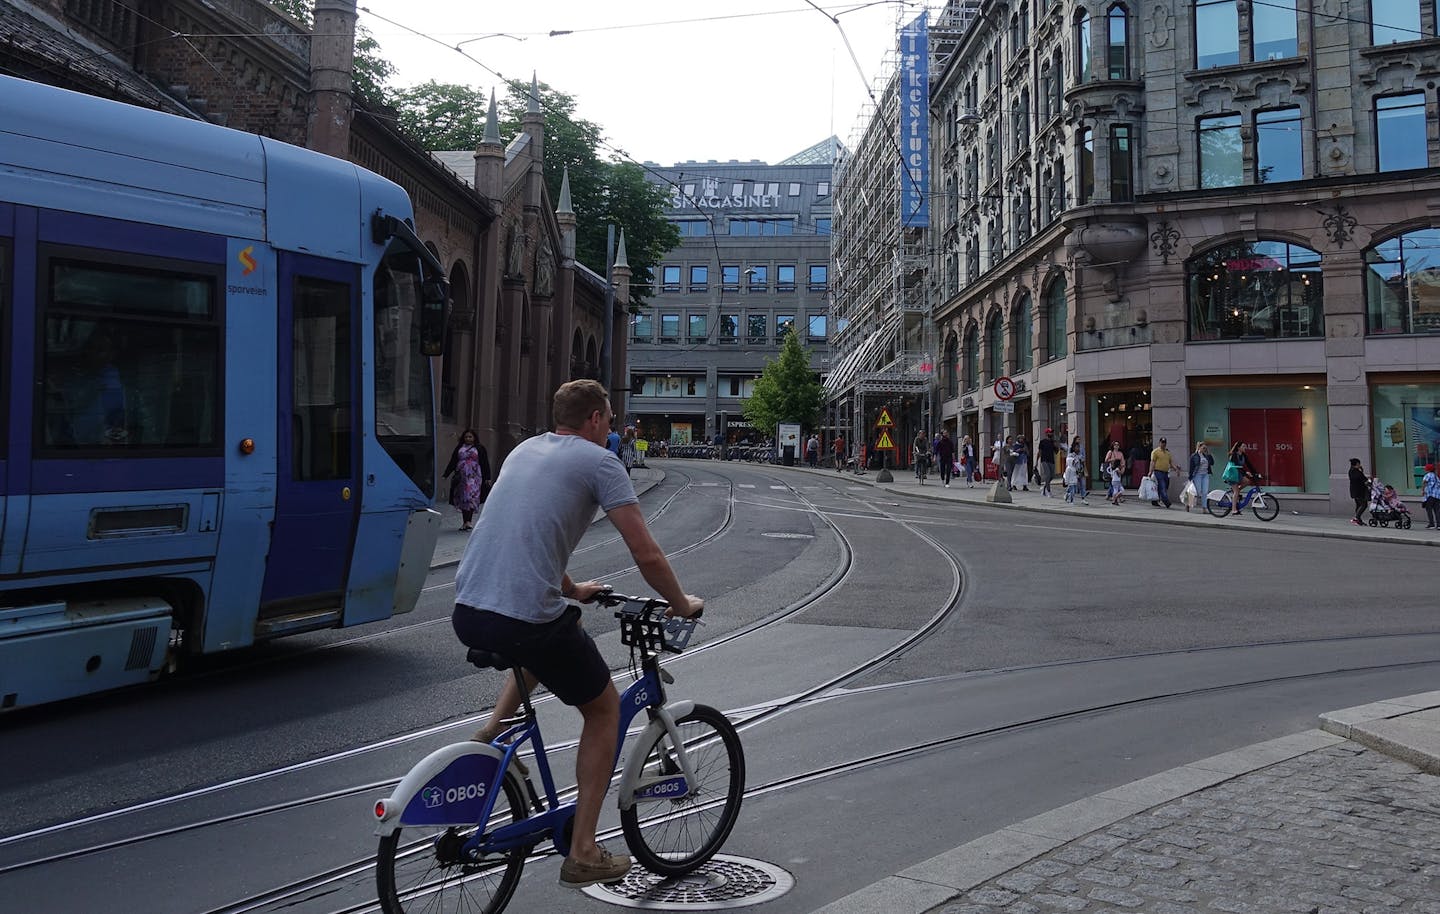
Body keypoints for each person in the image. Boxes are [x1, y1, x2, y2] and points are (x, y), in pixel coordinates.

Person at [453, 379, 703, 889]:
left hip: (468, 608)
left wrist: (571, 588)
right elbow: (646, 552)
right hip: (521, 618)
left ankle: (493, 728)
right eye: (609, 420)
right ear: (593, 419)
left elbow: (529, 533)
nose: (611, 429)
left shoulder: (525, 449)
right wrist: (682, 603)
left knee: (550, 626)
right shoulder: (600, 462)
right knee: (604, 708)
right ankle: (584, 850)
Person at [441, 429, 491, 531]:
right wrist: (446, 474)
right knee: (464, 498)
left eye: (470, 437)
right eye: (466, 437)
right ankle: (465, 522)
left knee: (471, 497)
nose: (468, 439)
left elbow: (485, 463)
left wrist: (488, 477)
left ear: (474, 438)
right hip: (462, 477)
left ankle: (469, 521)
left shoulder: (480, 448)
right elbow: (453, 461)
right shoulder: (460, 448)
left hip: (475, 477)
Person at [1222, 442, 1261, 519]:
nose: (1245, 447)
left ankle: (1236, 492)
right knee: (1236, 491)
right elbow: (1237, 466)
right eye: (1243, 446)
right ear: (1238, 448)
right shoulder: (1234, 455)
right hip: (1232, 475)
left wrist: (1256, 473)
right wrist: (1246, 473)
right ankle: (1233, 510)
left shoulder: (1243, 455)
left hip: (1238, 474)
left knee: (1247, 482)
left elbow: (1249, 465)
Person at [1187, 442, 1214, 514]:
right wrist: (1190, 477)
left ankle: (1204, 508)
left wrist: (1209, 454)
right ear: (1199, 447)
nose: (1204, 449)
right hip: (1197, 475)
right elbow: (1191, 467)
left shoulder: (1206, 456)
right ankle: (1189, 503)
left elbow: (1212, 463)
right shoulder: (1194, 456)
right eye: (1203, 448)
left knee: (1205, 492)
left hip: (1205, 475)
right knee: (1197, 491)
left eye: (1205, 448)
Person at [1149, 437, 1175, 508]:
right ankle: (1167, 502)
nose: (1163, 444)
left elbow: (1171, 462)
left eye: (1164, 443)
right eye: (1162, 442)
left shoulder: (1168, 453)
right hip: (1158, 472)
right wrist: (1150, 471)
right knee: (1162, 486)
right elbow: (1152, 462)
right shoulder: (1155, 452)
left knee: (1164, 487)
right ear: (1159, 443)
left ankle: (1155, 500)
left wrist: (1176, 468)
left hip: (1166, 473)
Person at [1036, 429, 1058, 497]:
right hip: (1044, 460)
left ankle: (1044, 487)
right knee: (1047, 475)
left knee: (1052, 476)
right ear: (1046, 433)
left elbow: (1056, 452)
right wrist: (1036, 461)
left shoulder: (1052, 442)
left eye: (1052, 433)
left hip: (1051, 460)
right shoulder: (1042, 442)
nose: (1051, 434)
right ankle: (1048, 491)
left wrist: (1055, 445)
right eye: (1050, 432)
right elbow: (1039, 452)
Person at [1347, 457, 1369, 526]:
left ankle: (1358, 520)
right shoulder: (1356, 472)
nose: (1360, 465)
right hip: (1359, 491)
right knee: (1364, 504)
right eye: (1359, 464)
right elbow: (1363, 479)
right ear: (1357, 464)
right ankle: (1356, 518)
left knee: (1359, 505)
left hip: (1354, 491)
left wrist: (1361, 471)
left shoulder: (1351, 471)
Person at [1070, 436, 1089, 500]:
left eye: (1079, 439)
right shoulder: (1071, 450)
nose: (1079, 440)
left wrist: (1084, 466)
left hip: (1081, 468)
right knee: (1073, 483)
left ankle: (1083, 496)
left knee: (1082, 483)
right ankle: (1069, 494)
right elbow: (1069, 459)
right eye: (1078, 439)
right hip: (1074, 469)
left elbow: (1083, 456)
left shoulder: (1081, 447)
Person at [1423, 463, 1440, 529]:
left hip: (1430, 495)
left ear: (1428, 469)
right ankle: (1439, 525)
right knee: (1437, 510)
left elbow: (1424, 482)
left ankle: (1431, 524)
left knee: (1429, 509)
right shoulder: (1436, 476)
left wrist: (1423, 491)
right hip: (1438, 496)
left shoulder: (1428, 475)